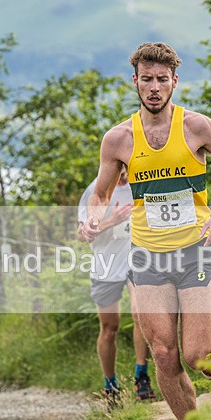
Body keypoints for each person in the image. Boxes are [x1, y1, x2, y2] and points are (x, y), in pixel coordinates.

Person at [81, 42, 211, 420]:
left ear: (174, 81)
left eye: (163, 79)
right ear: (136, 82)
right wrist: (92, 218)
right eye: (147, 79)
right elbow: (101, 193)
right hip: (146, 258)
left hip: (195, 253)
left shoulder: (196, 127)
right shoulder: (119, 139)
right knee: (162, 353)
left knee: (200, 355)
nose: (155, 87)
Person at [77, 168, 156, 407]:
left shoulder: (143, 184)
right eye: (118, 169)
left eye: (127, 169)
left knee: (139, 314)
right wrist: (113, 220)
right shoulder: (96, 190)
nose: (123, 175)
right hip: (106, 264)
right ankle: (110, 385)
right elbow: (82, 235)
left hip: (137, 261)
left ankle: (141, 375)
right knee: (110, 328)